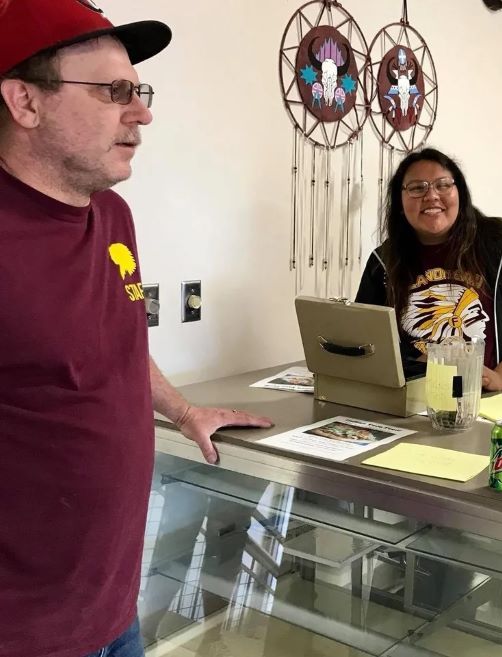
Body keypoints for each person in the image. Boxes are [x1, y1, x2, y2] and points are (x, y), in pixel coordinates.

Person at [0, 2, 272, 656]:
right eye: (112, 92)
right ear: (24, 102)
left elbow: (118, 341)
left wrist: (181, 410)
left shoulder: (113, 215)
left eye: (138, 91)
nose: (141, 112)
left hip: (116, 611)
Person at [355, 147, 502, 399]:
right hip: (414, 404)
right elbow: (367, 338)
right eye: (417, 188)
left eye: (443, 185)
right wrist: (414, 366)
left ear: (460, 194)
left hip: (500, 411)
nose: (431, 195)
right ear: (400, 203)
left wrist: (501, 377)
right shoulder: (384, 261)